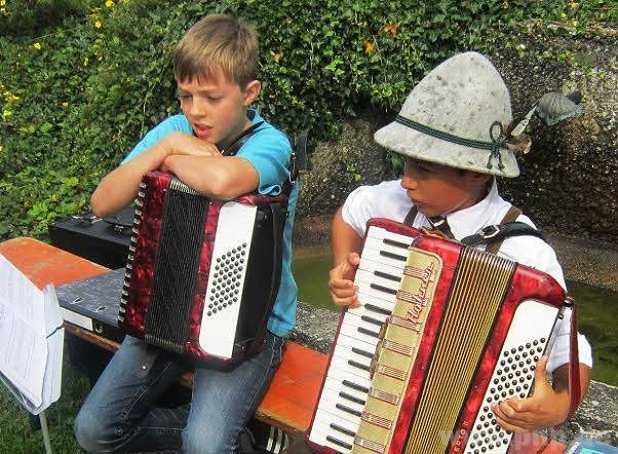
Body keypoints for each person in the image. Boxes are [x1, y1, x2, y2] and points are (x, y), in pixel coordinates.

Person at [328, 52, 592, 434]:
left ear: (473, 173)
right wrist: (344, 267)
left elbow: (571, 345)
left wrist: (559, 405)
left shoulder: (527, 253)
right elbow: (348, 214)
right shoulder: (391, 201)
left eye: (423, 169)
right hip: (371, 392)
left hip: (463, 428)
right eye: (406, 164)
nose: (406, 181)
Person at [74, 14, 298, 453]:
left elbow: (223, 181)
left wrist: (170, 160)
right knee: (94, 430)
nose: (195, 110)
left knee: (205, 446)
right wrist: (162, 147)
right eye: (186, 96)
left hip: (252, 327)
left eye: (212, 97)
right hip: (169, 303)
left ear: (249, 92)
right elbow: (103, 202)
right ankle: (242, 438)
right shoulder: (175, 132)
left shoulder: (272, 144)